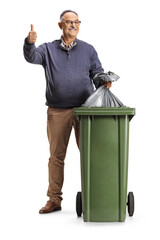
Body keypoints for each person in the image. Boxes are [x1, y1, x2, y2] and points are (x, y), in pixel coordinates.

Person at [23, 10, 112, 214]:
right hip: (57, 111)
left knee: (91, 155)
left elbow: (96, 72)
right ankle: (54, 200)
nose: (73, 25)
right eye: (68, 21)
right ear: (60, 25)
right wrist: (29, 43)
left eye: (76, 22)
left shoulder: (88, 49)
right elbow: (31, 57)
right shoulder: (48, 49)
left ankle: (95, 195)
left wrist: (103, 80)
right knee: (56, 157)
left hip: (85, 111)